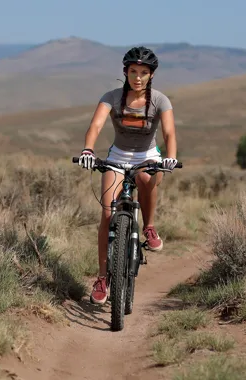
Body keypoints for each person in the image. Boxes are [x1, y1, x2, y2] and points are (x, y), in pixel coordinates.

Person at [77, 46, 178, 305]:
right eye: (133, 71)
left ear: (151, 75)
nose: (138, 77)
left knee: (146, 179)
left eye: (144, 72)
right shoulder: (111, 97)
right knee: (108, 212)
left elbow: (168, 133)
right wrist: (88, 149)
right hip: (118, 156)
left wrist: (170, 156)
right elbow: (96, 125)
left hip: (148, 156)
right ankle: (102, 278)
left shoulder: (160, 100)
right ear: (125, 72)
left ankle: (149, 226)